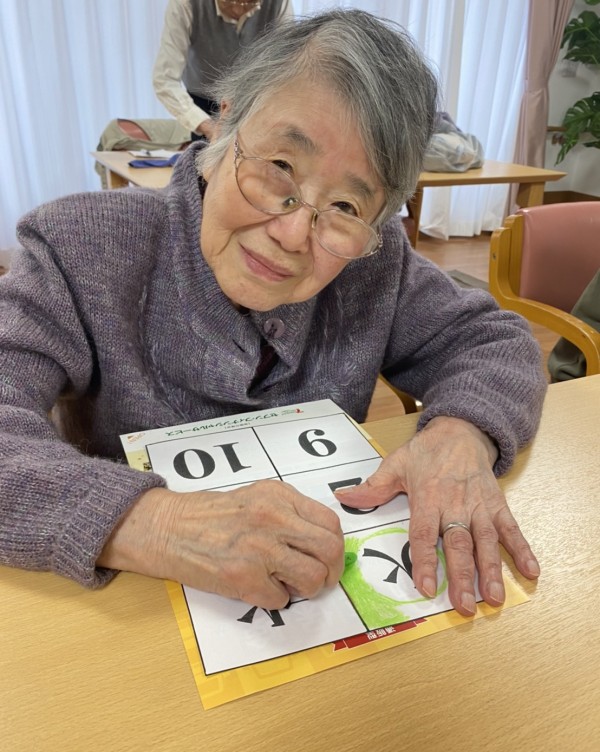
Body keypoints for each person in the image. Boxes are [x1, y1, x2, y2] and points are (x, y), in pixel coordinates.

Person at [0, 9, 546, 617]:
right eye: (280, 167)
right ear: (225, 125)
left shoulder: (371, 262)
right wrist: (157, 524)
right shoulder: (79, 248)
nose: (291, 234)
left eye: (346, 205)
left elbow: (491, 341)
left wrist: (460, 433)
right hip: (128, 615)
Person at [153, 0, 291, 141]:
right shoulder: (185, 4)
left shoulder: (279, 3)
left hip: (256, 104)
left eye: (250, 3)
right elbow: (165, 80)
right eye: (229, 2)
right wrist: (206, 126)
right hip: (204, 106)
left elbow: (288, 69)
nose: (237, 10)